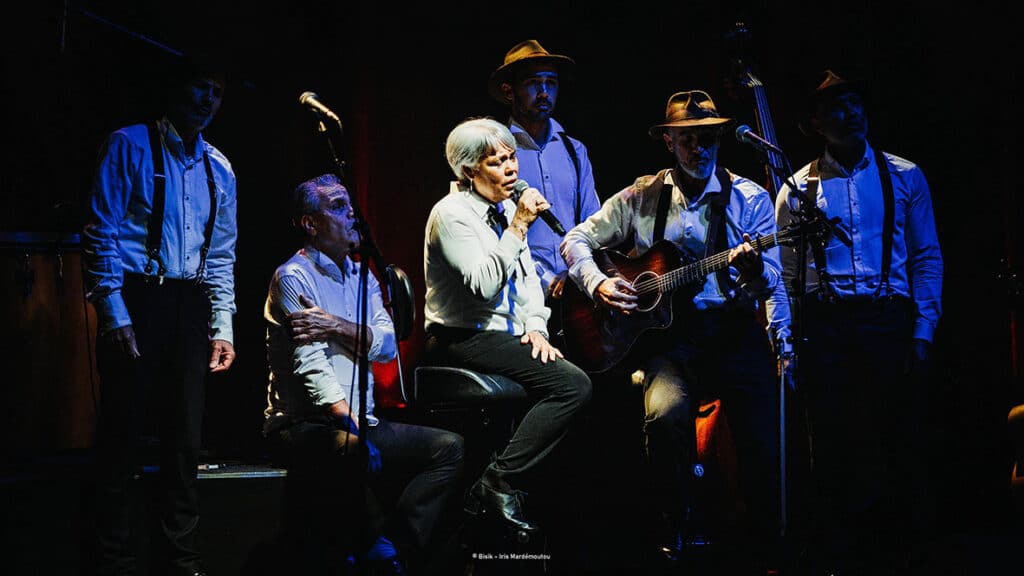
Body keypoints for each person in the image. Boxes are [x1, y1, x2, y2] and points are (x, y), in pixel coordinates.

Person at [561, 90, 783, 573]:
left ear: (719, 138)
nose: (698, 150)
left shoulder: (751, 198)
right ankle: (672, 531)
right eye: (686, 140)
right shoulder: (641, 195)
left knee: (762, 435)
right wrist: (598, 282)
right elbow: (575, 239)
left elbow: (773, 281)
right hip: (672, 342)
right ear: (668, 142)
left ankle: (765, 542)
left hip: (734, 332)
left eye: (706, 139)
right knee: (664, 415)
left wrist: (752, 273)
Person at [774, 70, 943, 575]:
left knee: (896, 438)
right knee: (832, 444)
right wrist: (787, 340)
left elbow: (926, 256)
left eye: (853, 104)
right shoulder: (797, 190)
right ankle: (839, 553)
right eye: (834, 108)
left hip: (889, 320)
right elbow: (786, 275)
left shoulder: (905, 175)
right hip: (828, 325)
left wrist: (923, 329)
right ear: (815, 123)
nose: (848, 115)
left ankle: (901, 551)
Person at [263, 173, 465, 575]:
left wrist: (336, 326)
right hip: (307, 424)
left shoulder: (363, 275)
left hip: (362, 421)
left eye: (350, 204)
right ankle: (374, 551)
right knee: (352, 451)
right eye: (337, 206)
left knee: (450, 447)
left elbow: (388, 344)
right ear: (310, 223)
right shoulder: (293, 277)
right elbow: (313, 367)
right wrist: (352, 428)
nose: (351, 214)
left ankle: (392, 545)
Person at [82, 53, 237, 576]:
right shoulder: (129, 144)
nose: (206, 99)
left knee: (184, 441)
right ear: (177, 87)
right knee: (122, 436)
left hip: (189, 304)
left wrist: (222, 327)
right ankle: (114, 558)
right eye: (199, 86)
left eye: (215, 91)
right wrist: (114, 312)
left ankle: (181, 559)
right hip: (138, 298)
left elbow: (220, 255)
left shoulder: (220, 168)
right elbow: (101, 231)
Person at [422, 117, 592, 538]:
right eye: (496, 162)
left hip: (504, 333)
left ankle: (518, 495)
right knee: (573, 386)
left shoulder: (498, 210)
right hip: (461, 336)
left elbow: (529, 278)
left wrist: (536, 325)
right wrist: (518, 226)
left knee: (575, 375)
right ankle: (496, 483)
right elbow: (482, 288)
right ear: (468, 172)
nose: (511, 169)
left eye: (512, 157)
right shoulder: (451, 216)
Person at [488, 39, 601, 345]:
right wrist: (547, 280)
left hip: (577, 297)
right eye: (533, 83)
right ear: (509, 91)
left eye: (551, 83)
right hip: (520, 299)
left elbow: (593, 225)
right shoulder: (495, 153)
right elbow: (493, 231)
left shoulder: (574, 151)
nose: (544, 92)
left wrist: (579, 274)